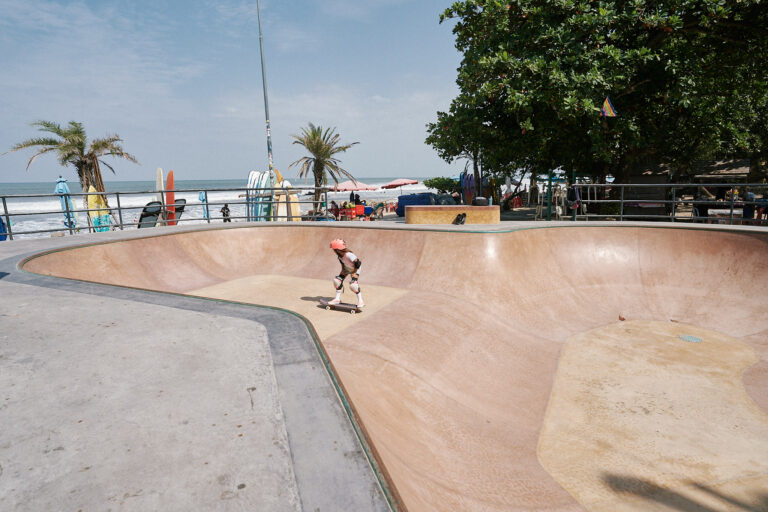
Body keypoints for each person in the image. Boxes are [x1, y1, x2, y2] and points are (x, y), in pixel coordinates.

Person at [329, 238, 364, 308]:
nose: (333, 251)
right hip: (347, 268)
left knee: (353, 285)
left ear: (337, 249)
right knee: (337, 281)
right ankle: (337, 299)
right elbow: (343, 265)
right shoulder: (340, 257)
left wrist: (354, 273)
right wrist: (342, 276)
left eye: (333, 250)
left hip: (355, 268)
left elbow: (358, 263)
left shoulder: (349, 255)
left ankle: (361, 301)